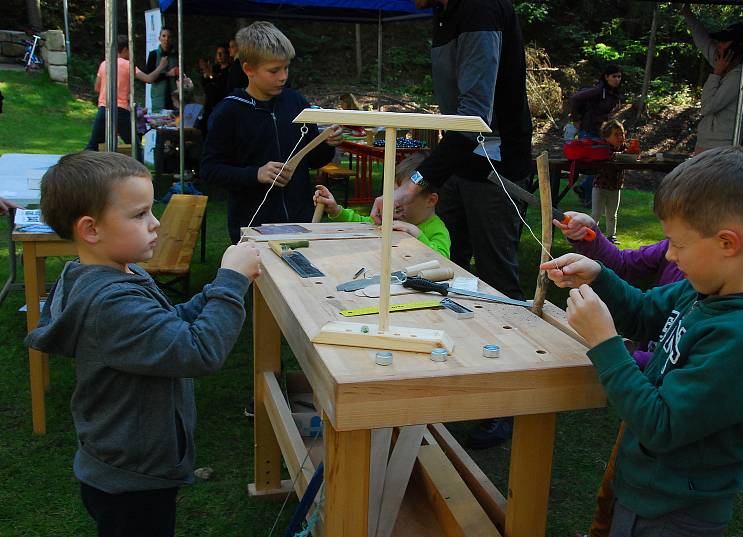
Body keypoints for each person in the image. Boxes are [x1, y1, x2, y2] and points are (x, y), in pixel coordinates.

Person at [542, 146, 743, 537]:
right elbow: (645, 312)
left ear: (728, 243)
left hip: (676, 512)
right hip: (645, 489)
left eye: (677, 244)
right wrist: (599, 275)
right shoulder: (706, 290)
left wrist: (605, 343)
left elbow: (662, 424)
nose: (672, 257)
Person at [24, 151, 261, 537]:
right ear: (91, 230)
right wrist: (231, 283)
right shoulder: (111, 304)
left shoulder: (114, 274)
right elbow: (199, 351)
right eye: (139, 215)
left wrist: (222, 285)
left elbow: (169, 323)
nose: (155, 224)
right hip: (131, 483)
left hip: (130, 470)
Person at [369, 0, 532, 450]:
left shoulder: (479, 9)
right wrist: (420, 183)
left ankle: (507, 400)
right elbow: (457, 122)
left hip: (495, 167)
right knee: (442, 270)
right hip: (462, 163)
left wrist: (415, 183)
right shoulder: (443, 14)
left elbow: (474, 118)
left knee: (497, 281)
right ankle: (448, 379)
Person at [200, 21, 341, 244]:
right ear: (249, 70)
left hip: (301, 221)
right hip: (254, 226)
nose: (283, 76)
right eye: (274, 70)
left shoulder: (296, 103)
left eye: (286, 67)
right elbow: (210, 170)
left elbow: (313, 160)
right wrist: (256, 174)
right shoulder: (229, 111)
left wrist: (327, 144)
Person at [314, 153, 451, 259]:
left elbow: (443, 259)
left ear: (431, 200)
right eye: (393, 196)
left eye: (404, 198)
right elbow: (363, 224)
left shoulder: (437, 230)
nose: (396, 204)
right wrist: (336, 210)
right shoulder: (393, 220)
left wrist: (415, 233)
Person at [681, 6, 743, 153]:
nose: (718, 46)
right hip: (708, 144)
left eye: (723, 42)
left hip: (720, 147)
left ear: (737, 47)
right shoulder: (724, 64)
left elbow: (708, 107)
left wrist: (716, 74)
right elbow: (703, 42)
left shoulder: (738, 77)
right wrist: (686, 12)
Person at [86, 35, 169, 153]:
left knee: (92, 145)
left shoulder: (104, 64)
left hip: (104, 108)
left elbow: (97, 87)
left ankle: (81, 168)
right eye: (130, 50)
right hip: (120, 110)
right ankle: (140, 170)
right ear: (124, 49)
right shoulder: (128, 65)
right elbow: (149, 79)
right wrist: (161, 66)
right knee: (135, 146)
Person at [568, 64, 624, 206]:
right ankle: (585, 193)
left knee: (599, 164)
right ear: (606, 77)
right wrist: (576, 119)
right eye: (614, 76)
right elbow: (575, 99)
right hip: (588, 130)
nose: (617, 79)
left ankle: (584, 191)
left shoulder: (613, 92)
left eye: (619, 76)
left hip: (600, 131)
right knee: (595, 164)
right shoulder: (598, 91)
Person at [592, 119, 628, 244]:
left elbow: (631, 157)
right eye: (616, 134)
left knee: (612, 214)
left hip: (615, 187)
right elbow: (610, 156)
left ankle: (611, 236)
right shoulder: (603, 147)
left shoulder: (625, 148)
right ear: (607, 137)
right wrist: (622, 155)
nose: (620, 137)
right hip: (600, 186)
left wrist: (632, 154)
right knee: (596, 213)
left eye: (621, 134)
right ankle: (591, 235)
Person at [198, 44, 231, 137]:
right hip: (209, 106)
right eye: (218, 53)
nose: (219, 56)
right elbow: (205, 85)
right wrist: (205, 75)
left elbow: (220, 86)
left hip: (221, 107)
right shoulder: (215, 68)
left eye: (222, 53)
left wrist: (211, 76)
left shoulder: (230, 71)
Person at [145, 27, 180, 111]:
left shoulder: (177, 55)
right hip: (159, 99)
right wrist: (168, 74)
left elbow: (183, 76)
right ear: (159, 38)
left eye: (169, 37)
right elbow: (149, 77)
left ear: (172, 39)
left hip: (175, 98)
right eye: (164, 36)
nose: (166, 39)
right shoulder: (153, 55)